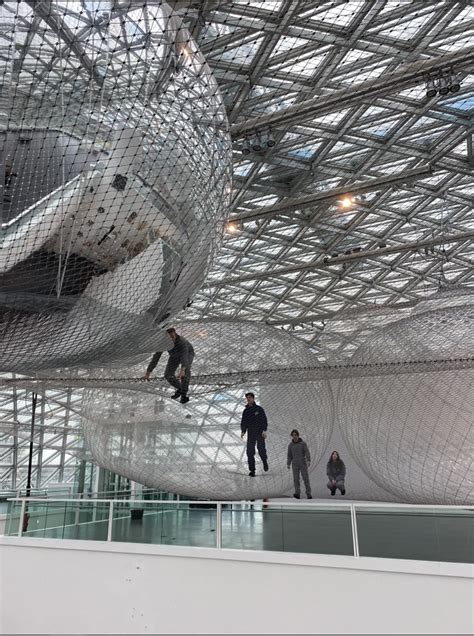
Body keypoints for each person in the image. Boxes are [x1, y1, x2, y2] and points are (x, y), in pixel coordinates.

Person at [144, 327, 194, 404]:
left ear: (175, 334)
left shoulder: (182, 342)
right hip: (174, 355)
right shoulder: (162, 343)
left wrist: (182, 370)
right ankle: (180, 388)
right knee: (168, 374)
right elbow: (156, 358)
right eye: (169, 339)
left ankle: (184, 395)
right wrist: (147, 373)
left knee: (185, 372)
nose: (171, 340)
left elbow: (184, 357)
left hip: (188, 353)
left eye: (172, 337)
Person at [240, 392, 268, 477]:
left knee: (261, 449)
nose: (248, 399)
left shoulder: (259, 409)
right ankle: (252, 470)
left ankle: (264, 461)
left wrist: (264, 430)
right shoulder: (246, 411)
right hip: (251, 433)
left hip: (259, 433)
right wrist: (243, 431)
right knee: (249, 452)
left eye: (249, 397)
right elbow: (243, 422)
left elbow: (264, 420)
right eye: (247, 398)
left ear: (253, 398)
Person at [287, 429, 312, 499]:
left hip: (302, 462)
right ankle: (297, 493)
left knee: (305, 478)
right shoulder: (290, 445)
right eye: (293, 435)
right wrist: (288, 463)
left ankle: (308, 493)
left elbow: (307, 452)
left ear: (298, 435)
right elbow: (289, 455)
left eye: (296, 435)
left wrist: (308, 460)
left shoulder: (303, 443)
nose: (294, 436)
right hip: (294, 463)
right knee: (296, 479)